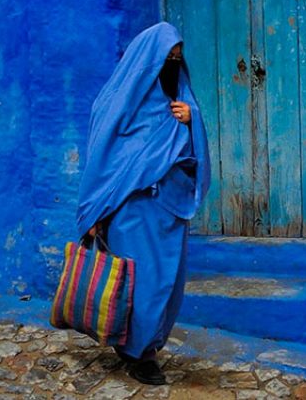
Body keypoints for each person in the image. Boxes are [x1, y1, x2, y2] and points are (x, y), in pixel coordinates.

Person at [75, 22, 210, 385]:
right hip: (129, 212)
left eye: (178, 59)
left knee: (164, 284)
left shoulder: (180, 101)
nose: (174, 66)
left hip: (169, 209)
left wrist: (191, 121)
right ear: (147, 62)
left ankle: (143, 347)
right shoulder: (114, 106)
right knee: (136, 284)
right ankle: (139, 354)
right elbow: (102, 162)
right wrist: (93, 212)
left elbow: (194, 155)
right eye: (167, 59)